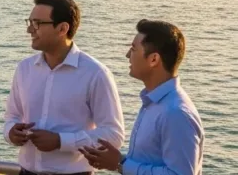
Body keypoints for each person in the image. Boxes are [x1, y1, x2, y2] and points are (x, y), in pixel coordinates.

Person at [4, 0, 125, 175]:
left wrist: (61, 141)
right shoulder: (24, 69)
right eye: (29, 22)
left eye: (36, 23)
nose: (30, 30)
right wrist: (11, 133)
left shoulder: (95, 73)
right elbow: (11, 117)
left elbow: (113, 134)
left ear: (62, 28)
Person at [81, 20, 203, 174]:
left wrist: (121, 163)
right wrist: (117, 161)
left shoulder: (175, 113)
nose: (127, 55)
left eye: (133, 49)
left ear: (153, 59)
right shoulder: (154, 104)